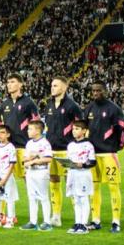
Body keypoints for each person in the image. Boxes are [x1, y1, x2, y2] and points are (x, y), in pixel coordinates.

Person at [82, 82, 124, 233]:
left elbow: (123, 129)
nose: (96, 93)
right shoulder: (89, 108)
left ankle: (116, 221)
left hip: (108, 154)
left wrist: (118, 146)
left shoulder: (113, 109)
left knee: (113, 186)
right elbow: (84, 129)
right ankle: (96, 220)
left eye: (99, 90)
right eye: (94, 91)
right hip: (93, 155)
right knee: (94, 187)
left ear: (105, 91)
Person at [1, 73, 42, 224]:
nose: (9, 85)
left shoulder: (28, 103)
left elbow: (36, 123)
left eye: (12, 82)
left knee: (29, 182)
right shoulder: (4, 103)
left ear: (20, 84)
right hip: (9, 148)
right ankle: (6, 215)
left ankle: (36, 216)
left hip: (25, 148)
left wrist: (35, 145)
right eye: (8, 82)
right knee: (5, 180)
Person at [43, 76, 82, 228]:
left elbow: (81, 127)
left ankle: (78, 216)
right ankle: (56, 215)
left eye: (56, 85)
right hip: (51, 150)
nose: (52, 88)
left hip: (68, 150)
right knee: (54, 182)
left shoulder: (73, 106)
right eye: (52, 85)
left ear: (64, 88)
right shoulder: (49, 105)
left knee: (71, 183)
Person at [21, 120, 54, 231]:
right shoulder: (29, 143)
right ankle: (33, 221)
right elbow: (25, 158)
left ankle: (47, 222)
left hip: (41, 171)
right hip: (30, 172)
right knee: (32, 197)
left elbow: (49, 158)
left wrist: (34, 161)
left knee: (43, 197)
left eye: (30, 129)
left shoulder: (45, 143)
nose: (28, 131)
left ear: (38, 130)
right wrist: (31, 158)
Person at [65, 120, 97, 235]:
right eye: (73, 129)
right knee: (76, 199)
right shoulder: (70, 145)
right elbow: (69, 159)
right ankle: (77, 222)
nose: (74, 131)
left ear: (84, 131)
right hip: (72, 174)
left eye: (77, 129)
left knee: (83, 198)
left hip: (83, 174)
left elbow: (93, 162)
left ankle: (84, 224)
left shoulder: (88, 145)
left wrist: (82, 164)